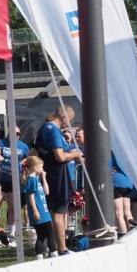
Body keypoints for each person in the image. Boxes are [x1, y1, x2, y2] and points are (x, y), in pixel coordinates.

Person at [34, 105, 82, 254]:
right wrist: (75, 154)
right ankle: (62, 248)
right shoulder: (53, 130)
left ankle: (57, 247)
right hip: (56, 175)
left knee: (58, 211)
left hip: (52, 174)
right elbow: (59, 156)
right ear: (63, 117)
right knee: (59, 212)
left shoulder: (45, 128)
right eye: (69, 121)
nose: (68, 124)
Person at [0, 125, 29, 246]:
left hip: (14, 181)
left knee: (13, 208)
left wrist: (20, 166)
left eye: (17, 134)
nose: (15, 136)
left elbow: (27, 159)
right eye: (13, 133)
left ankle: (11, 234)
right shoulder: (0, 143)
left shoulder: (23, 146)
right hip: (0, 179)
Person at [22, 156, 55, 259]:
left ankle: (39, 256)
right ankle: (54, 254)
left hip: (44, 211)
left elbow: (47, 192)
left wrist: (44, 177)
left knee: (42, 236)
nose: (42, 169)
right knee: (49, 234)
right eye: (41, 167)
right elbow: (30, 196)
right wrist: (35, 211)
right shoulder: (31, 179)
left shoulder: (36, 179)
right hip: (39, 212)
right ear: (35, 167)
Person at [111, 153, 136, 237]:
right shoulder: (125, 151)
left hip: (117, 182)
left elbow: (108, 167)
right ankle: (133, 231)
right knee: (128, 212)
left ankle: (123, 236)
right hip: (128, 182)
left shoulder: (112, 153)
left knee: (119, 214)